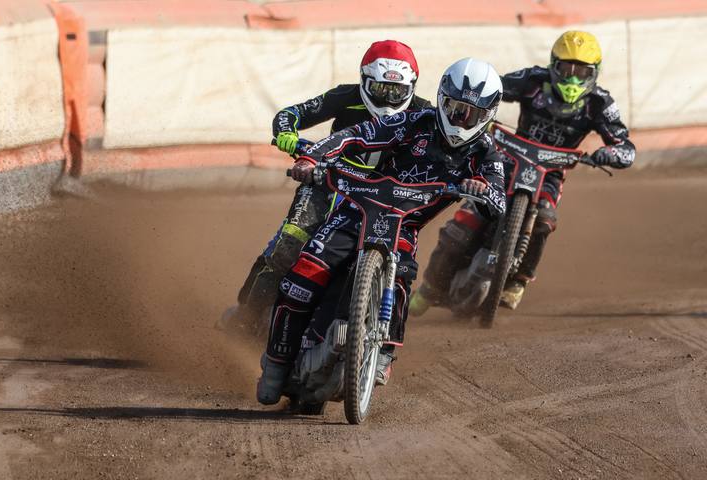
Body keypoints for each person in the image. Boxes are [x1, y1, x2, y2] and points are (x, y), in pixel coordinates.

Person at [257, 58, 507, 405]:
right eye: (454, 108)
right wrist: (312, 158)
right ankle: (275, 363)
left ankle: (385, 353)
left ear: (488, 114)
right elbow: (355, 135)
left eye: (472, 114)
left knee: (401, 278)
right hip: (355, 211)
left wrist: (484, 191)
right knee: (301, 278)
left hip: (403, 227)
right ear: (440, 98)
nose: (460, 119)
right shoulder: (412, 121)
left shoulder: (486, 152)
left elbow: (499, 199)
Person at [410, 30, 636, 315]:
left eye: (582, 72)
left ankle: (519, 281)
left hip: (551, 173)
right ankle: (429, 289)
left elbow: (626, 146)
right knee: (464, 223)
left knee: (544, 219)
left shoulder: (600, 103)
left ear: (595, 73)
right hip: (506, 161)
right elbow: (493, 88)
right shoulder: (533, 80)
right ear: (553, 65)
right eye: (566, 69)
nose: (572, 79)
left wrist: (610, 153)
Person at [223, 40, 431, 331]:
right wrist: (287, 135)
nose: (388, 99)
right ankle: (247, 313)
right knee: (290, 244)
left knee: (400, 260)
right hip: (326, 183)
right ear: (364, 81)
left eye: (396, 91)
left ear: (412, 87)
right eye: (380, 89)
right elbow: (289, 114)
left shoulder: (424, 112)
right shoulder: (344, 96)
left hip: (382, 197)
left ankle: (377, 334)